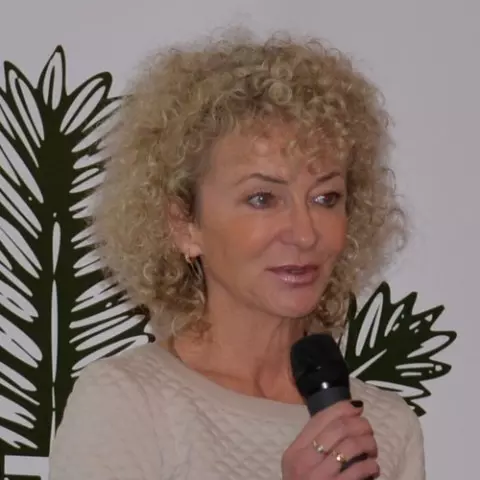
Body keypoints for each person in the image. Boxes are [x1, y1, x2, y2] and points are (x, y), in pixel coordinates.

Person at [49, 30, 425, 480]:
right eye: (263, 199)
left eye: (326, 198)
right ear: (184, 224)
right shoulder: (127, 402)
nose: (305, 233)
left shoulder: (385, 426)